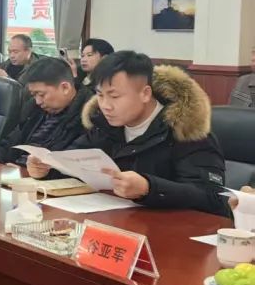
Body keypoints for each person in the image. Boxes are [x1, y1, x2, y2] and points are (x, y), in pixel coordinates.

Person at [29, 51, 230, 217]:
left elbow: (213, 197)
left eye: (114, 96)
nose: (105, 105)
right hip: (117, 223)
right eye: (100, 95)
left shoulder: (186, 130)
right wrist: (49, 169)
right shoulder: (104, 125)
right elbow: (75, 160)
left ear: (145, 94)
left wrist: (149, 188)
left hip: (172, 234)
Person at [0, 57, 92, 166]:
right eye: (34, 95)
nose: (38, 101)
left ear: (65, 88)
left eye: (41, 95)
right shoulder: (33, 108)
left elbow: (67, 165)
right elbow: (8, 143)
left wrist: (26, 170)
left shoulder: (88, 118)